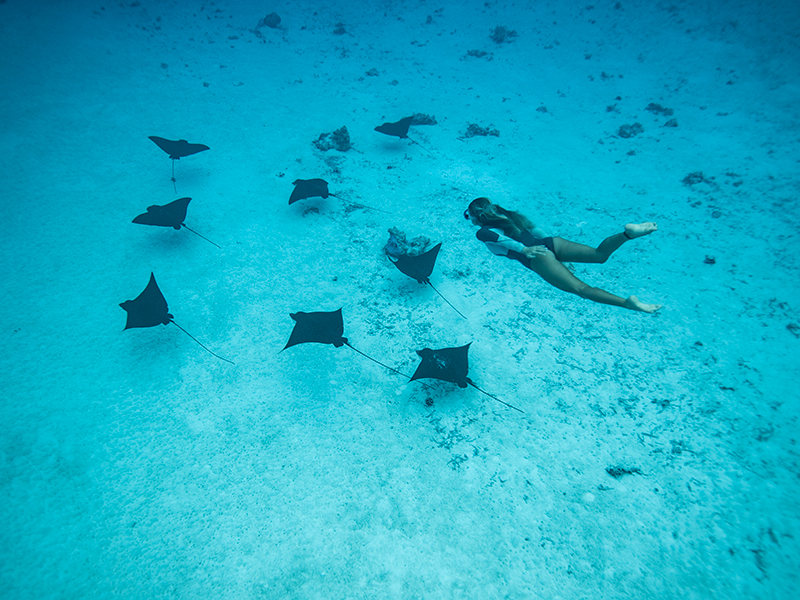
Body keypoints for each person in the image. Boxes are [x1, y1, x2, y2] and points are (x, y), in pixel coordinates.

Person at [464, 197, 662, 313]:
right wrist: (558, 258)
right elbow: (538, 232)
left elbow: (491, 237)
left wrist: (524, 250)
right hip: (550, 243)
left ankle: (628, 303)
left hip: (537, 256)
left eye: (469, 215)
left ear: (476, 216)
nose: (469, 219)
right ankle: (628, 233)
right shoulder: (509, 215)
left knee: (582, 289)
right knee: (599, 254)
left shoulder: (484, 231)